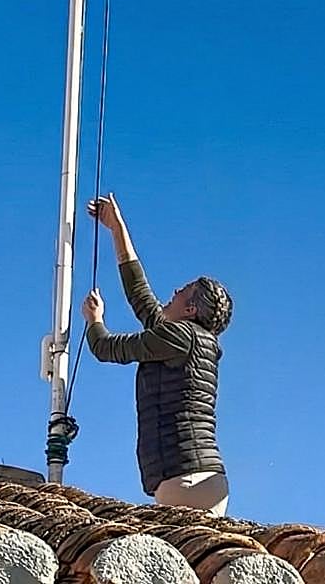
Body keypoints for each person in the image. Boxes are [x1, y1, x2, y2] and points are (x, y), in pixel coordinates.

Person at [81, 194, 233, 516]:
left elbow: (107, 348)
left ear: (190, 309)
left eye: (183, 291)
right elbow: (143, 300)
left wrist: (95, 323)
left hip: (183, 478)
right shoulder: (191, 340)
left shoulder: (180, 336)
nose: (175, 290)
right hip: (207, 478)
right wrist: (116, 229)